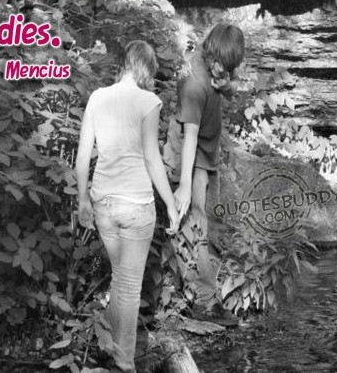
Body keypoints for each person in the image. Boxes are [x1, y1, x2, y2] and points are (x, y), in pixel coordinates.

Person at [76, 40, 180, 372]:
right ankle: (124, 362)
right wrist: (171, 204)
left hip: (104, 204)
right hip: (136, 205)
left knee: (120, 277)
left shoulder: (97, 97)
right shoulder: (148, 102)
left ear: (123, 63)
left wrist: (82, 199)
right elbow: (151, 158)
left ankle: (107, 345)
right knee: (129, 286)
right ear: (146, 69)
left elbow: (82, 156)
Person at [173, 23, 245, 321]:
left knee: (209, 224)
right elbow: (189, 137)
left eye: (227, 67)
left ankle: (200, 292)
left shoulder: (218, 63)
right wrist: (185, 186)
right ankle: (205, 302)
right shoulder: (194, 83)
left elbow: (231, 88)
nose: (221, 70)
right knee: (196, 224)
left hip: (207, 156)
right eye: (218, 64)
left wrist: (227, 85)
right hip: (191, 161)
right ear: (210, 52)